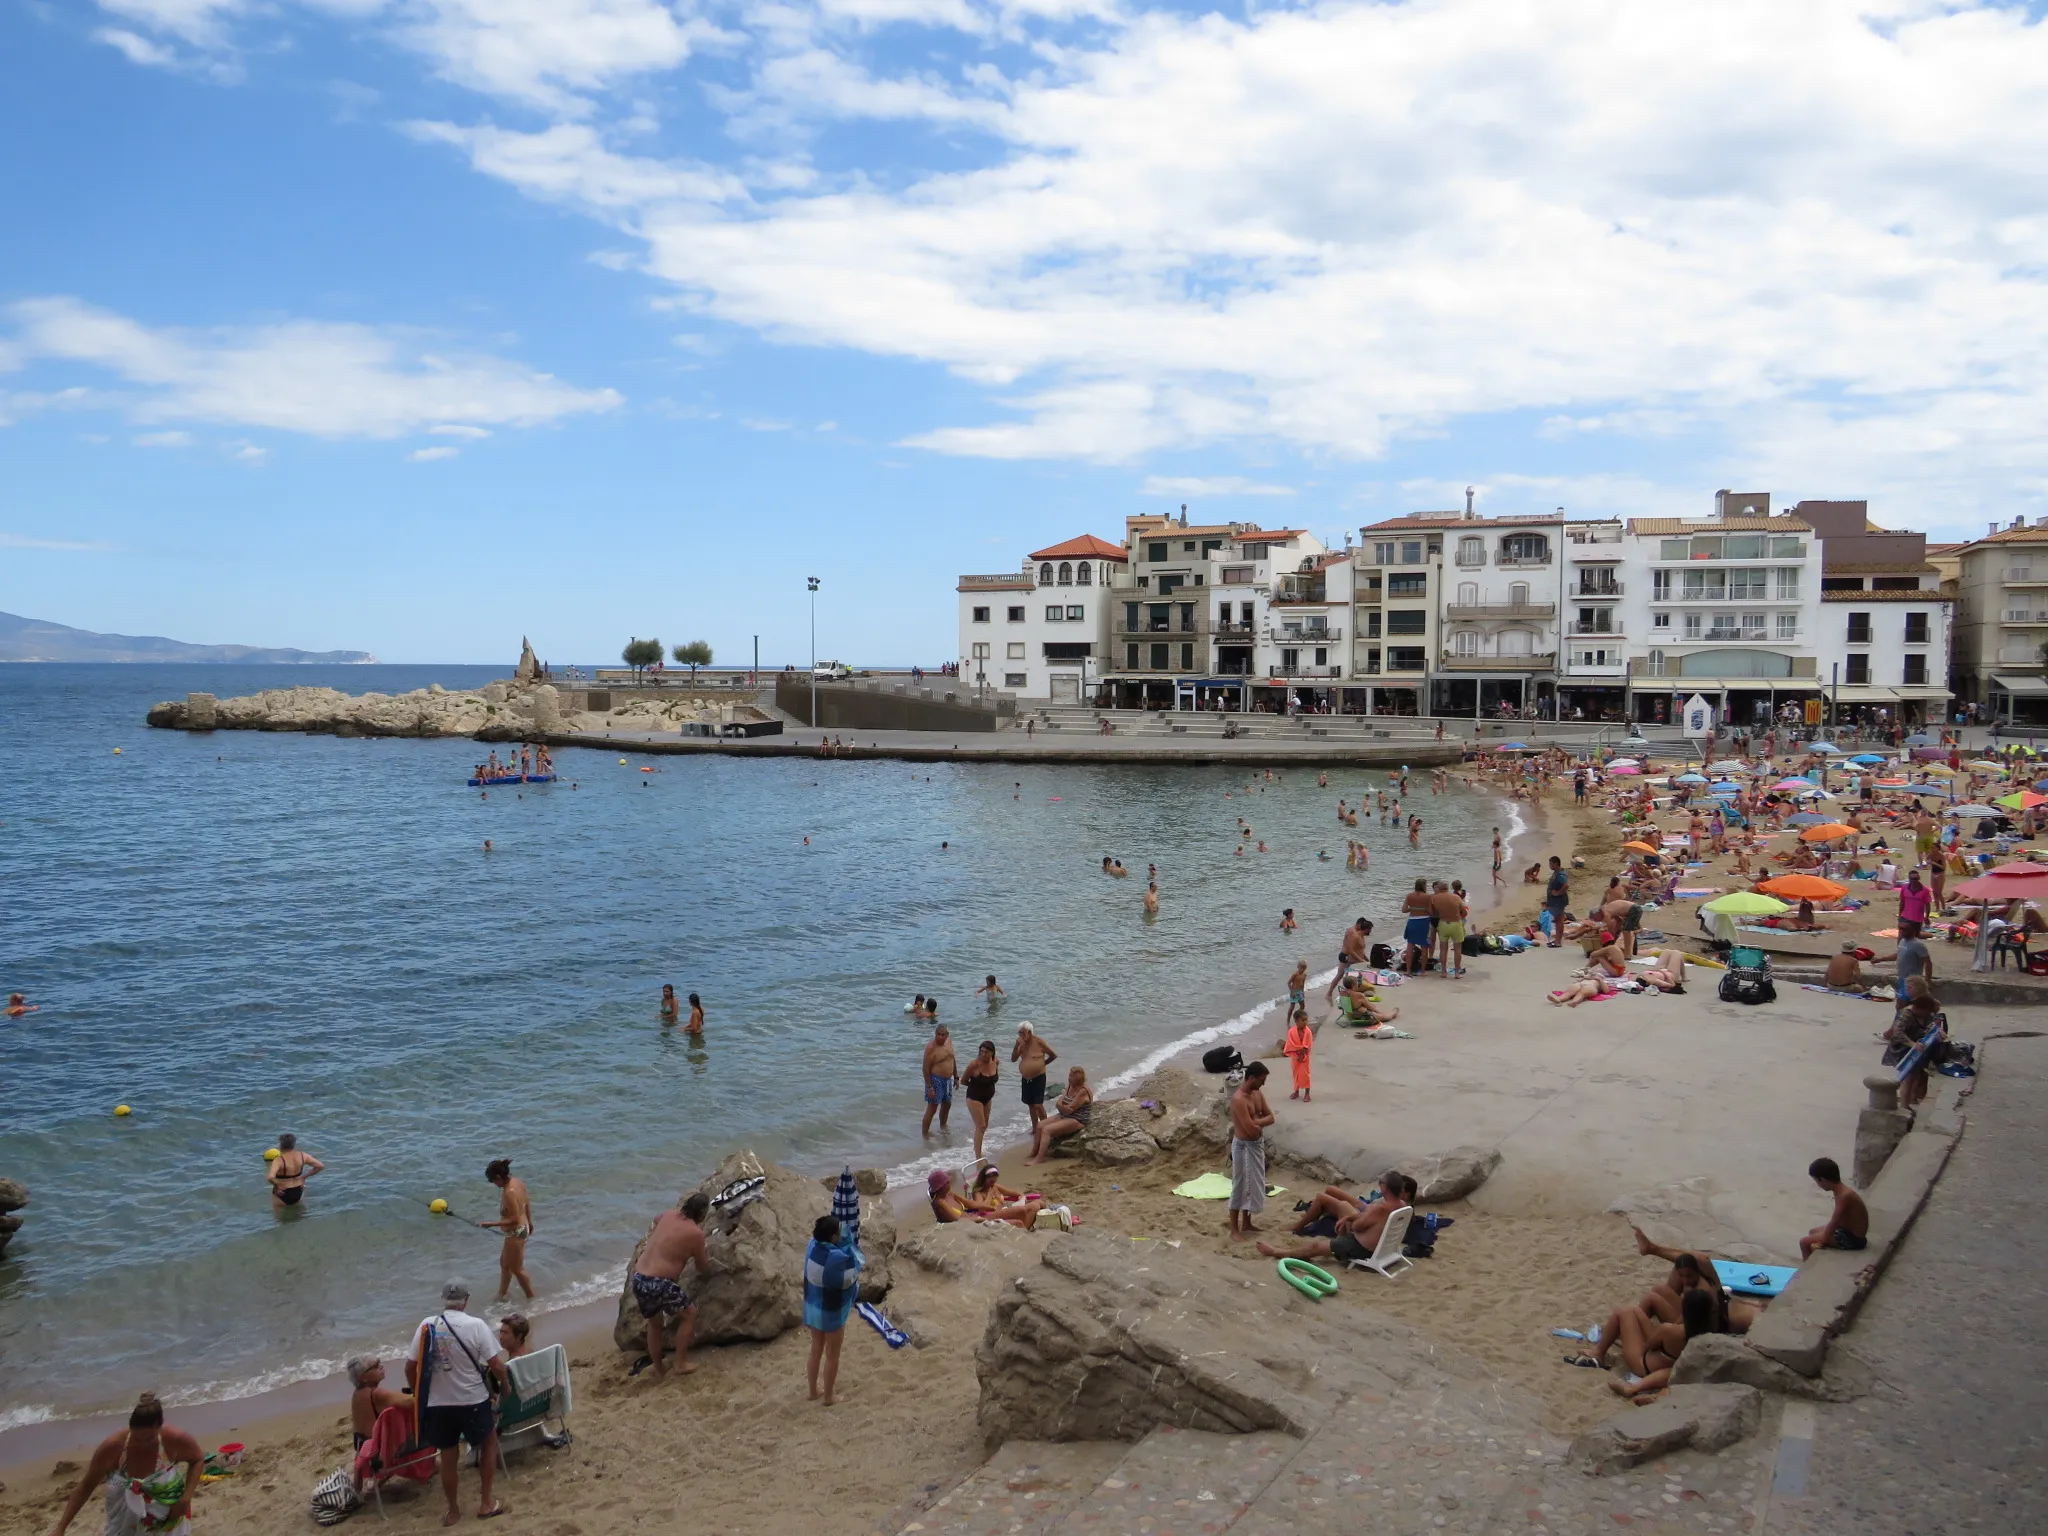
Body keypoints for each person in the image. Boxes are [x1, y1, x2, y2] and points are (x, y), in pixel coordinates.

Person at [406, 1281, 509, 1525]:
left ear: (443, 1300)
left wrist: (419, 1392)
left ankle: (453, 1511)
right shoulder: (476, 1325)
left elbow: (410, 1366)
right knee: (489, 1444)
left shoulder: (427, 1325)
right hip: (472, 1399)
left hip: (439, 1404)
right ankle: (486, 1502)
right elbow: (495, 1364)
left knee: (449, 1456)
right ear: (466, 1300)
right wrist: (505, 1384)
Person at [46, 1392, 203, 1536]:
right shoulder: (113, 1448)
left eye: (148, 1439)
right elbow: (86, 1486)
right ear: (130, 1428)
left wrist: (186, 1498)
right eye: (137, 1438)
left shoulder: (173, 1440)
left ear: (159, 1428)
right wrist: (61, 1528)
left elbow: (197, 1459)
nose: (142, 1443)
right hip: (124, 1524)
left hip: (167, 1522)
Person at [630, 1191, 714, 1380]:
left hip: (639, 1278)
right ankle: (681, 1364)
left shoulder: (668, 1215)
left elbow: (657, 1218)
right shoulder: (696, 1233)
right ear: (702, 1214)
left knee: (655, 1324)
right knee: (690, 1314)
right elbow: (702, 1267)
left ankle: (659, 1369)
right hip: (659, 1283)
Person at [1257, 1171, 1409, 1264]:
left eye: (1381, 1184)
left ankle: (1276, 1252)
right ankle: (1305, 1223)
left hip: (1358, 1247)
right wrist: (1350, 1217)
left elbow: (1357, 1227)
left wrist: (1350, 1220)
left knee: (1315, 1247)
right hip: (1379, 1246)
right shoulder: (1402, 1205)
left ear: (1386, 1188)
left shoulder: (1381, 1209)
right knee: (1342, 1205)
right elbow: (1366, 1221)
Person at [803, 1214, 863, 1407]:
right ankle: (829, 1397)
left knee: (816, 1349)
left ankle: (813, 1391)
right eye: (839, 1232)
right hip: (831, 1310)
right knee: (832, 1355)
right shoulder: (836, 1257)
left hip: (813, 1306)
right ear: (832, 1236)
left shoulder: (812, 1245)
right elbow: (851, 1275)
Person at [1228, 1061, 1276, 1241]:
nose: (1263, 1084)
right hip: (1243, 1146)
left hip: (1256, 1145)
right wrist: (1257, 1123)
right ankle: (1234, 1228)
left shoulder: (1257, 1093)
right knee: (1240, 1185)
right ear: (1252, 1078)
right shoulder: (1238, 1099)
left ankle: (1247, 1222)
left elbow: (1271, 1117)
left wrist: (1257, 1122)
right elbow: (1249, 1129)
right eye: (1261, 1080)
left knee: (1253, 1184)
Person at [482, 1159, 534, 1301]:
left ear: (499, 1177)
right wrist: (530, 1222)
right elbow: (526, 1203)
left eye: (493, 1181)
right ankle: (502, 1294)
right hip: (522, 1227)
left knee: (517, 1269)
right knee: (505, 1264)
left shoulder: (509, 1192)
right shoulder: (518, 1182)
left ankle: (531, 1298)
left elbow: (514, 1219)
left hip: (516, 1232)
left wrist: (491, 1224)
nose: (494, 1184)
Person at [1799, 1157, 1870, 1257]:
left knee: (1804, 1242)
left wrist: (1822, 1240)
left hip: (1853, 1239)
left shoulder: (1844, 1196)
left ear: (1823, 1180)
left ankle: (1805, 1271)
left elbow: (1834, 1221)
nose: (1819, 1185)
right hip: (1847, 1230)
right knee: (1812, 1232)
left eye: (1817, 1182)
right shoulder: (1841, 1190)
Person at [1024, 1066, 1094, 1164]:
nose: (1069, 1078)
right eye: (1069, 1076)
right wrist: (1062, 1107)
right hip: (1064, 1115)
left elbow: (1070, 1109)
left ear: (1078, 1078)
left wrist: (1062, 1107)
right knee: (1040, 1126)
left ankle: (1040, 1158)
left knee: (1047, 1130)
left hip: (1078, 1119)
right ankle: (1034, 1151)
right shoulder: (1070, 1086)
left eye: (1071, 1077)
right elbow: (1059, 1103)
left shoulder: (1083, 1091)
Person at [346, 1355, 414, 1450]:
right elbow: (410, 1401)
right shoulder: (375, 1394)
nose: (381, 1366)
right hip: (377, 1451)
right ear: (363, 1377)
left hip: (361, 1446)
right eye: (376, 1366)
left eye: (379, 1362)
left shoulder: (357, 1393)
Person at [965, 1165, 1046, 1226]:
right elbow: (981, 1209)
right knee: (1033, 1207)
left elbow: (1012, 1192)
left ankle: (1027, 1226)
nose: (993, 1184)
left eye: (995, 1180)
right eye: (991, 1182)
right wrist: (989, 1195)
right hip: (993, 1216)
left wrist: (1021, 1196)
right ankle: (1025, 1228)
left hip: (1005, 1211)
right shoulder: (978, 1193)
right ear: (984, 1180)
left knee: (1039, 1203)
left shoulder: (995, 1186)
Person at [960, 1039, 1000, 1161]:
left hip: (988, 1097)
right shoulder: (974, 1064)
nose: (983, 1054)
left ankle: (978, 1147)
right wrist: (977, 1087)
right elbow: (964, 1081)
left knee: (985, 1126)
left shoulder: (996, 1062)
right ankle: (978, 1157)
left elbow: (994, 1078)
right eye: (981, 1051)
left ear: (992, 1053)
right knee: (981, 1126)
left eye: (986, 1052)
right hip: (974, 1097)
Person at [1013, 1024, 1058, 1129]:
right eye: (1019, 1033)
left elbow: (1053, 1055)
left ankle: (1046, 1127)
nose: (1020, 1036)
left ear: (1029, 1032)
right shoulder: (1020, 1044)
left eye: (1022, 1033)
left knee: (1038, 1105)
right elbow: (1013, 1059)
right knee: (1030, 1104)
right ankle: (1035, 1128)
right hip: (1026, 1079)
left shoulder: (1039, 1042)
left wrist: (1042, 1064)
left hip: (1039, 1077)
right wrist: (1016, 1046)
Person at [268, 1132, 323, 1210]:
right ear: (294, 1144)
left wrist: (278, 1185)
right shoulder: (303, 1155)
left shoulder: (278, 1160)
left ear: (280, 1144)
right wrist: (304, 1177)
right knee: (298, 1214)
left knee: (280, 1219)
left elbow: (270, 1177)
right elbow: (320, 1166)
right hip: (298, 1190)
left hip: (282, 1192)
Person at [922, 1024, 958, 1136]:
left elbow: (952, 1059)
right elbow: (925, 1069)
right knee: (932, 1108)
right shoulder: (931, 1048)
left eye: (943, 1035)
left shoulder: (949, 1042)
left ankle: (943, 1127)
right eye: (938, 1035)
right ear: (935, 1034)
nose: (941, 1037)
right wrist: (929, 1087)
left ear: (947, 1035)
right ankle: (925, 1135)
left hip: (948, 1080)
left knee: (947, 1104)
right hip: (935, 1080)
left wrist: (956, 1077)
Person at [1430, 879, 1466, 979]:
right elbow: (1464, 911)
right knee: (1457, 949)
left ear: (1439, 888)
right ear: (1447, 887)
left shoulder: (1434, 898)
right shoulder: (1455, 897)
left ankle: (1443, 972)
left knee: (1443, 949)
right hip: (1455, 923)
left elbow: (1432, 912)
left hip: (1443, 923)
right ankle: (1457, 973)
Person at [1283, 1004, 1313, 1101]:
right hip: (1296, 1056)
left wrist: (1303, 1051)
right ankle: (1296, 1091)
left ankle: (1307, 1093)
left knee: (1305, 1074)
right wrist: (1298, 1052)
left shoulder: (1307, 1031)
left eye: (1306, 1020)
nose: (1305, 1022)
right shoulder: (1291, 1032)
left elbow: (1308, 1043)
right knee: (1295, 1074)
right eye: (1303, 1020)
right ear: (1296, 1021)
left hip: (1305, 1056)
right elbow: (1290, 1043)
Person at [1543, 856, 1570, 946]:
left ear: (1556, 863)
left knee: (1559, 921)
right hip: (1554, 901)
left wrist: (1558, 893)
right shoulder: (1556, 873)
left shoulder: (1560, 874)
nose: (1550, 865)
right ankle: (1557, 940)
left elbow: (1566, 885)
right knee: (1557, 920)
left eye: (1551, 864)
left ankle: (1558, 941)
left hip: (1559, 901)